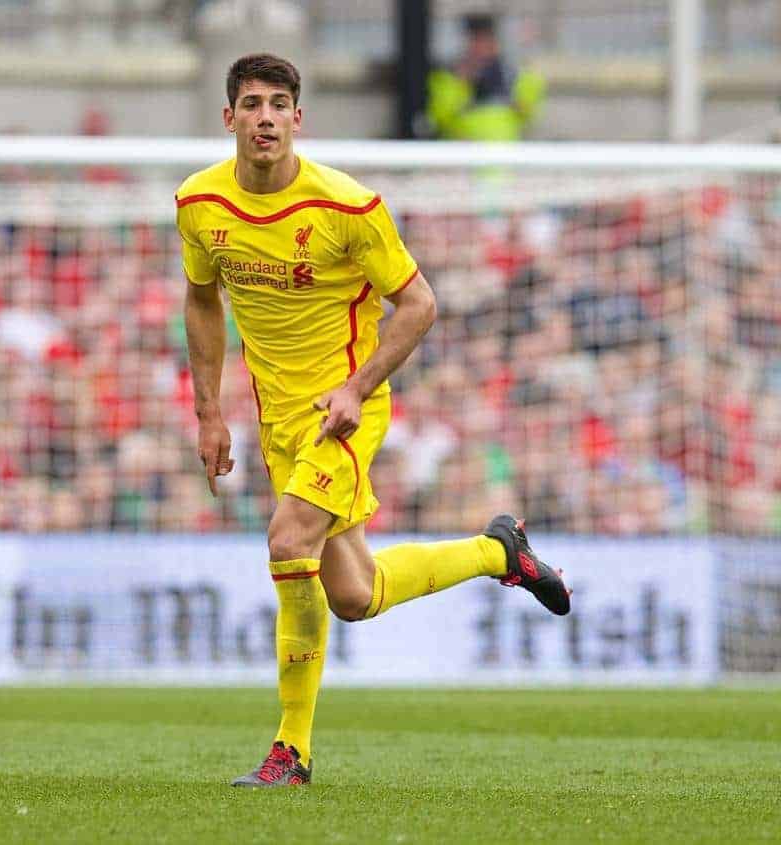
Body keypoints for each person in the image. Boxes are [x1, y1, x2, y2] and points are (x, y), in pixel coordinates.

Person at [176, 53, 571, 788]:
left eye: (280, 104)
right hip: (277, 420)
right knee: (353, 596)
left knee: (288, 538)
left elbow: (419, 303)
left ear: (299, 119)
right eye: (253, 103)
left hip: (346, 411)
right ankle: (498, 552)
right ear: (228, 118)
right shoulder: (199, 204)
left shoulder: (348, 206)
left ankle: (291, 751)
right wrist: (208, 412)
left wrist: (357, 388)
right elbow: (201, 299)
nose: (266, 116)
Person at [426, 13, 545, 141]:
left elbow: (529, 113)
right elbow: (437, 117)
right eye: (475, 41)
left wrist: (511, 97)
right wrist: (460, 83)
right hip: (462, 155)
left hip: (505, 156)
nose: (481, 48)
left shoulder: (514, 74)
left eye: (487, 40)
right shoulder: (446, 77)